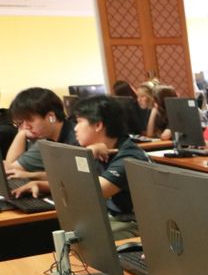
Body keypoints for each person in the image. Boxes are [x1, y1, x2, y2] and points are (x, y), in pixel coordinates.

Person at [13, 95, 152, 239]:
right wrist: (41, 185)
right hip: (112, 217)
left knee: (72, 238)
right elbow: (74, 184)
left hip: (136, 225)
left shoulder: (128, 156)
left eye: (79, 122)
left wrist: (86, 155)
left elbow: (88, 193)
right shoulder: (103, 149)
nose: (75, 128)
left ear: (98, 125)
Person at [4, 87, 77, 180]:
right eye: (21, 122)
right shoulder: (44, 138)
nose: (25, 127)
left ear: (51, 117)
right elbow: (11, 170)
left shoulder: (78, 137)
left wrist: (32, 176)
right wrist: (21, 133)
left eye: (29, 120)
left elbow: (77, 178)